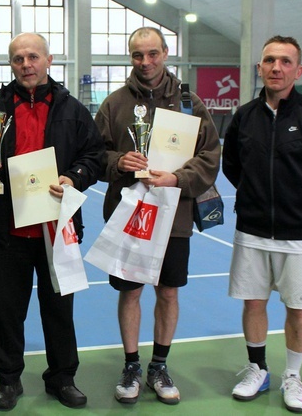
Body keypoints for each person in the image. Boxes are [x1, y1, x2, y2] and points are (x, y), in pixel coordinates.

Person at [0, 32, 105, 410]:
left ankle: (62, 378)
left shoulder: (72, 109)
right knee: (6, 310)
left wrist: (74, 176)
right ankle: (8, 380)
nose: (25, 65)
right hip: (6, 229)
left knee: (59, 309)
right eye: (17, 59)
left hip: (58, 227)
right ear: (11, 65)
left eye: (32, 57)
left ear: (48, 60)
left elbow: (95, 156)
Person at [93, 27, 221, 405]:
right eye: (137, 55)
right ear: (129, 57)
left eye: (152, 53)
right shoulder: (114, 104)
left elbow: (210, 156)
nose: (145, 62)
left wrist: (177, 178)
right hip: (128, 216)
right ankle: (131, 365)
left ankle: (159, 366)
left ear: (165, 53)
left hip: (174, 216)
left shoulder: (189, 104)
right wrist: (119, 161)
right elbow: (93, 154)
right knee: (130, 291)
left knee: (168, 291)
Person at [223, 35, 302, 413]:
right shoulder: (243, 116)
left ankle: (293, 376)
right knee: (254, 302)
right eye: (270, 60)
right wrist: (256, 197)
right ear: (259, 67)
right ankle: (257, 369)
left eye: (285, 61)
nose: (276, 67)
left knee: (298, 307)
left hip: (301, 234)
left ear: (299, 70)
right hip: (252, 230)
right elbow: (232, 167)